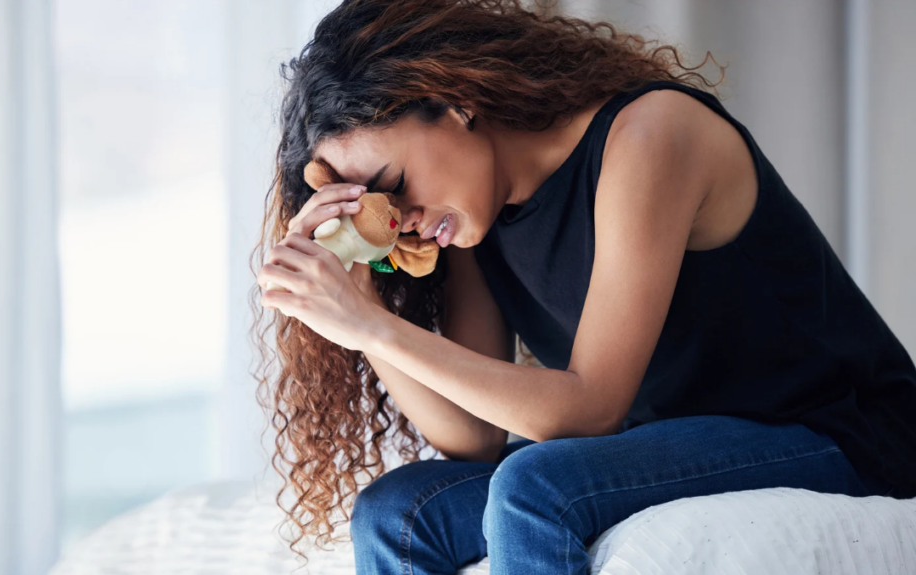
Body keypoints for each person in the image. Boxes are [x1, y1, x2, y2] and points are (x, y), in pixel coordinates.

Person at [251, 1, 916, 573]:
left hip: (836, 429)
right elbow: (473, 436)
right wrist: (360, 294)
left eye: (394, 185)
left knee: (535, 484)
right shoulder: (469, 222)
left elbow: (591, 407)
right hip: (674, 439)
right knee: (398, 511)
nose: (402, 218)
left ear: (455, 101)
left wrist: (374, 327)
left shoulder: (649, 136)